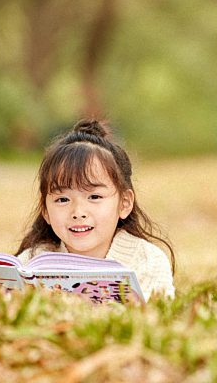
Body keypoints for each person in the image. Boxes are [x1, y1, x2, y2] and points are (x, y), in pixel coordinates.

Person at [16, 118, 175, 301]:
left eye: (94, 197)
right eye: (62, 199)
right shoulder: (32, 261)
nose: (78, 212)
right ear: (46, 211)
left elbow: (157, 319)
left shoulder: (147, 261)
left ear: (124, 203)